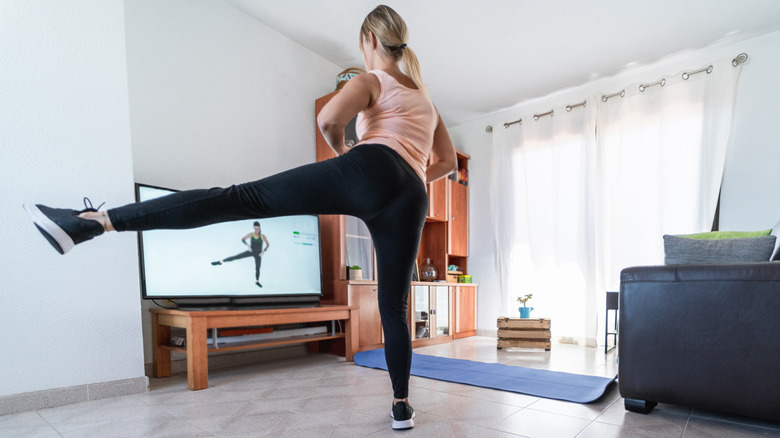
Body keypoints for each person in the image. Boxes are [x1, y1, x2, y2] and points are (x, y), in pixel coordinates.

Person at [23, 4, 456, 430]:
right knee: (394, 307)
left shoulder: (371, 79)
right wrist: (411, 173)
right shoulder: (427, 102)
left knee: (239, 199)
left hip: (370, 168)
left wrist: (347, 156)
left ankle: (93, 221)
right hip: (413, 194)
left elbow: (328, 120)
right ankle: (401, 406)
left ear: (370, 40)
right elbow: (446, 162)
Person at [211, 221, 269, 288]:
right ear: (253, 228)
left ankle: (257, 281)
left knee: (258, 268)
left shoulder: (262, 236)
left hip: (258, 254)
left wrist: (264, 251)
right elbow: (243, 239)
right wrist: (248, 246)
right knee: (236, 257)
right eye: (255, 228)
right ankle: (220, 262)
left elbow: (267, 244)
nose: (256, 230)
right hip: (251, 251)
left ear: (259, 228)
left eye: (257, 228)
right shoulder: (251, 234)